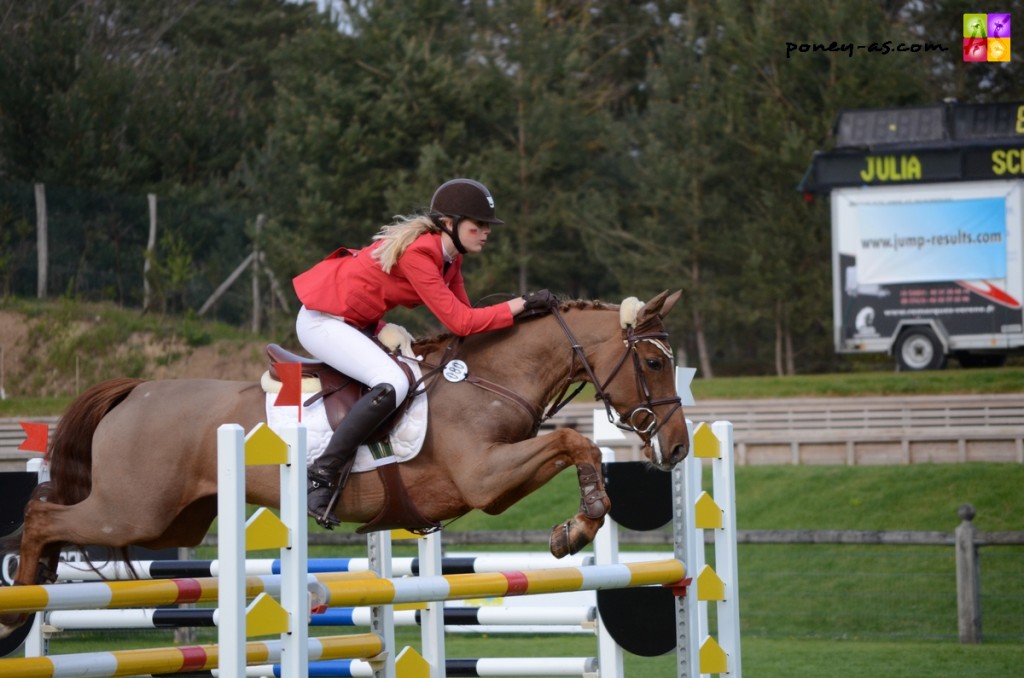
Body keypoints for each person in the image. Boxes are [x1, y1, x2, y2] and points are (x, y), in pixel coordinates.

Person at [292, 178, 557, 528]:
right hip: (322, 320)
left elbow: (469, 324)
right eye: (477, 226)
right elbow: (462, 323)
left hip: (358, 323)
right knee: (392, 382)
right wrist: (519, 304)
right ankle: (322, 473)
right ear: (449, 224)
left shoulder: (451, 259)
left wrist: (524, 315)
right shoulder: (420, 253)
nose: (486, 233)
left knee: (409, 376)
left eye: (487, 227)